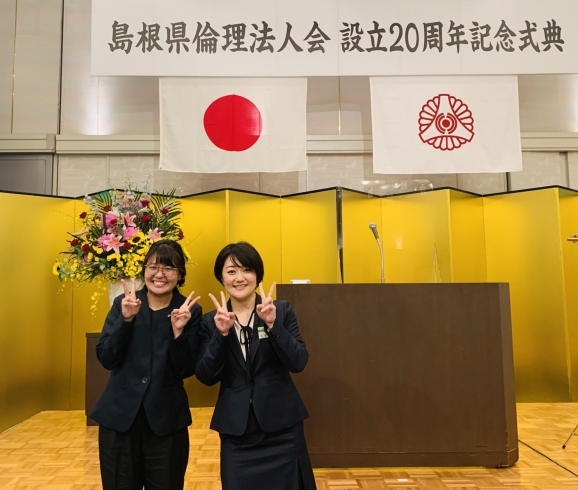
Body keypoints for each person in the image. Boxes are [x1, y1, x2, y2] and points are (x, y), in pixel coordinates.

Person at [196, 241, 316, 490]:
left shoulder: (280, 311)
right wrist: (221, 335)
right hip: (237, 433)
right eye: (231, 271)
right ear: (221, 278)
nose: (239, 278)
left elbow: (299, 362)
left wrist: (273, 325)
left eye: (247, 270)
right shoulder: (211, 321)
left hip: (282, 429)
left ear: (257, 275)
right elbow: (206, 375)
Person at [90, 239, 202, 490]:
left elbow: (187, 368)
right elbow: (106, 357)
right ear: (143, 270)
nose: (159, 275)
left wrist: (177, 334)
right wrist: (126, 321)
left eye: (169, 268)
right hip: (119, 419)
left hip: (166, 423)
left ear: (180, 274)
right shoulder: (124, 304)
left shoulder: (189, 311)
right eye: (153, 267)